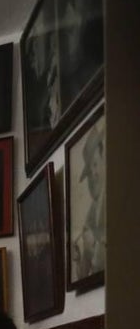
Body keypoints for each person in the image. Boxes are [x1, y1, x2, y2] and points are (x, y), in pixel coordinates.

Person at [72, 120, 105, 281]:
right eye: (90, 171)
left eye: (95, 164)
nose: (94, 174)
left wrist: (93, 247)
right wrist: (78, 259)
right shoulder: (93, 210)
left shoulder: (117, 201)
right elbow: (83, 278)